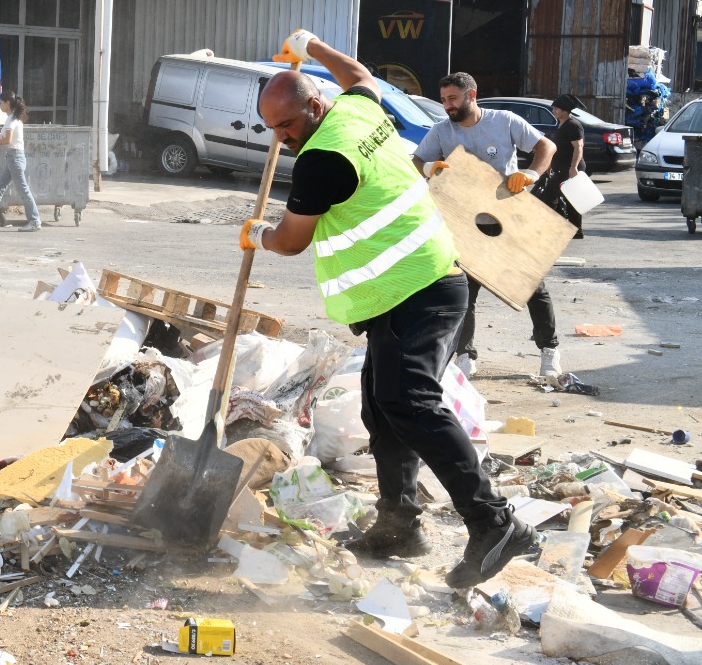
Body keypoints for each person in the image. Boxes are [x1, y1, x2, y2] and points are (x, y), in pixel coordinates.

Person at [241, 30, 536, 588]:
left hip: (416, 291)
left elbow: (292, 240)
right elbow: (360, 75)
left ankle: (495, 524)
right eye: (273, 129)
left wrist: (258, 234)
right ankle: (399, 524)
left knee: (412, 402)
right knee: (383, 406)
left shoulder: (324, 160)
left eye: (287, 125)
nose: (282, 137)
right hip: (411, 288)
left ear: (314, 105)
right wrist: (313, 47)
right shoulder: (356, 108)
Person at [412, 73, 564, 381]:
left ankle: (549, 350)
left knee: (533, 287)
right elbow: (415, 160)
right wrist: (428, 167)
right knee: (464, 292)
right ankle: (466, 355)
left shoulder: (504, 121)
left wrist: (531, 174)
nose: (447, 106)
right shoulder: (442, 131)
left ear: (472, 95)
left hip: (506, 217)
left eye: (453, 99)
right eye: (443, 100)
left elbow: (546, 146)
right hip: (463, 224)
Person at [0, 91, 42, 232]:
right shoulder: (13, 119)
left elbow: (8, 140)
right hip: (14, 158)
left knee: (23, 191)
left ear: (7, 103)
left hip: (15, 158)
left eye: (1, 103)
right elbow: (9, 137)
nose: (0, 105)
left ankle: (35, 220)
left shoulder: (11, 120)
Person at [536, 95, 586, 239]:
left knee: (552, 197)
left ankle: (560, 228)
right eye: (553, 107)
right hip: (560, 168)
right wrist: (549, 164)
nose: (554, 110)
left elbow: (578, 147)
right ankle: (573, 230)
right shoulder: (561, 124)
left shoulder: (573, 125)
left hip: (568, 169)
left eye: (557, 108)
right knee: (566, 199)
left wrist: (573, 167)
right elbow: (556, 148)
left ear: (565, 110)